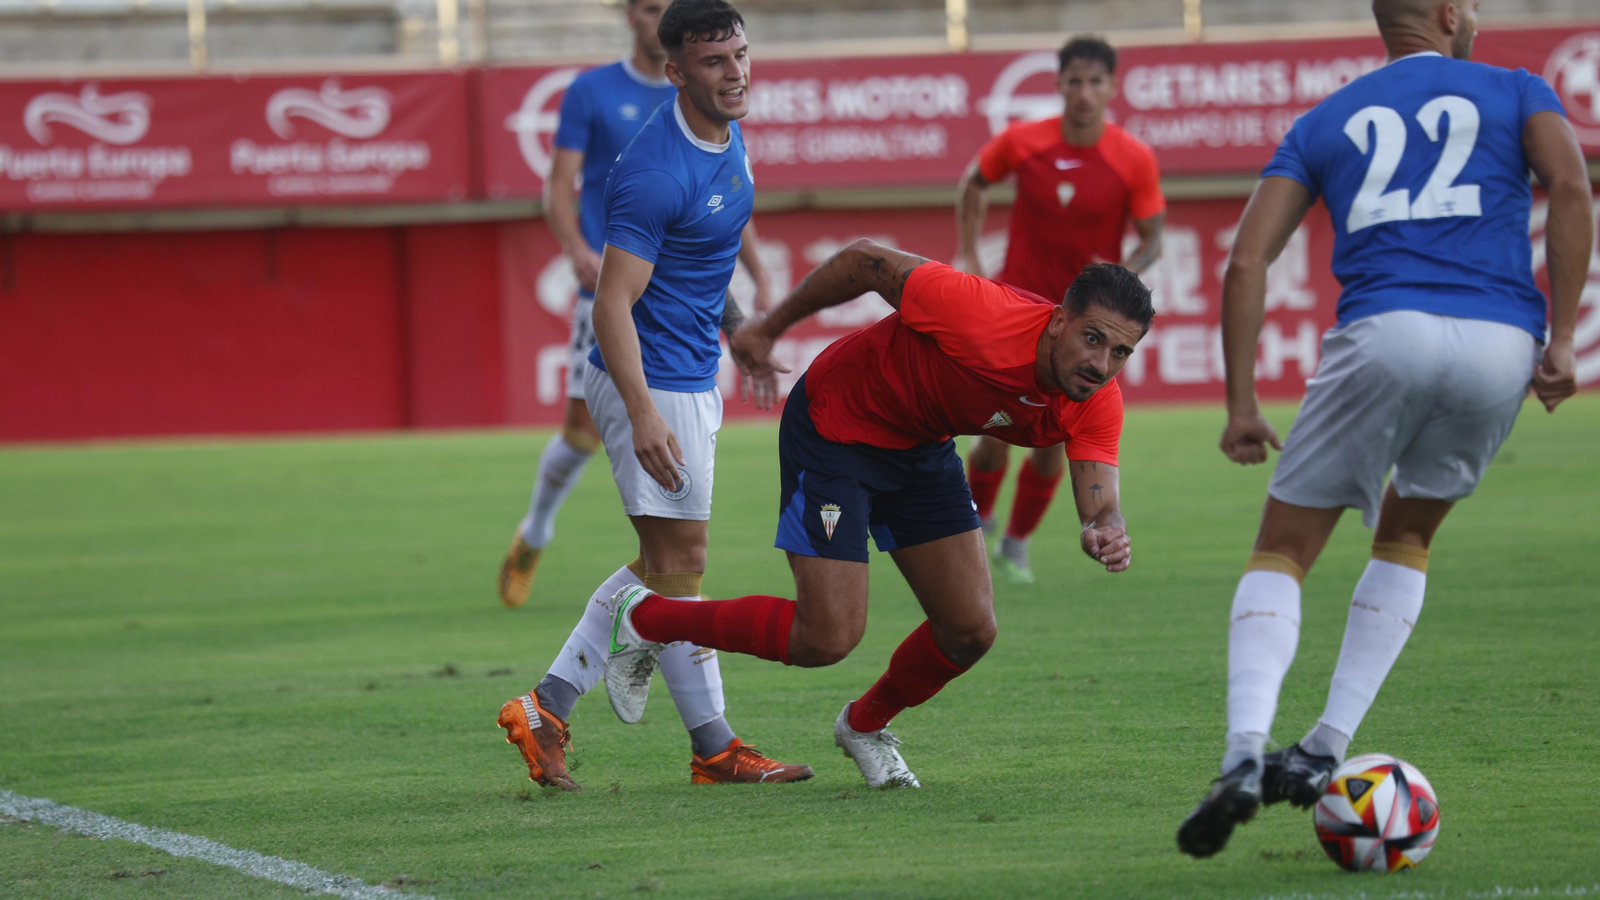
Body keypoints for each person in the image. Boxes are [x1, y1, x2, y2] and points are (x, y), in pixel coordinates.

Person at [1177, 0, 1593, 858]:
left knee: (1284, 550)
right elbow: (1573, 187)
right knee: (1408, 533)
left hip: (1383, 329)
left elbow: (1248, 258)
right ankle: (1325, 745)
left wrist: (1241, 402)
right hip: (1498, 341)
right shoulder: (1517, 89)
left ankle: (1245, 754)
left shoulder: (1326, 118)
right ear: (1449, 11)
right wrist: (1559, 342)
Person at [599, 241, 1153, 788]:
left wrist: (1107, 529)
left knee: (969, 630)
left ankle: (864, 726)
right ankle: (646, 620)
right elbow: (862, 259)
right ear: (1059, 322)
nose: (1100, 364)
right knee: (827, 637)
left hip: (920, 446)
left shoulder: (1096, 399)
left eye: (1119, 352)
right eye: (1092, 338)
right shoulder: (979, 310)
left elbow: (1101, 502)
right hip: (837, 424)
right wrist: (770, 328)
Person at [497, 0, 810, 789]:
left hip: (688, 371)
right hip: (651, 379)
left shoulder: (728, 134)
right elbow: (611, 302)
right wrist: (640, 413)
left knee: (665, 566)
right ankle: (710, 745)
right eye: (714, 62)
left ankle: (551, 708)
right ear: (675, 72)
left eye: (740, 54)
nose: (735, 72)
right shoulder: (652, 169)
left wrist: (737, 324)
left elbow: (703, 260)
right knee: (681, 568)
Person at [497, 0, 775, 609]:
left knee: (674, 554)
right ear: (628, 16)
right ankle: (536, 531)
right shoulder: (593, 93)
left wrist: (755, 285)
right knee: (579, 434)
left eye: (739, 56)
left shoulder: (720, 112)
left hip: (668, 300)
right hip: (611, 290)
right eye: (648, 8)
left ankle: (574, 677)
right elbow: (557, 189)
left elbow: (720, 214)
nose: (655, 17)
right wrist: (575, 247)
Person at [956, 35, 1166, 584]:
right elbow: (974, 184)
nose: (1084, 92)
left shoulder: (1133, 158)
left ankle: (1016, 541)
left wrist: (1123, 275)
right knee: (991, 431)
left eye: (1096, 81)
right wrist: (973, 256)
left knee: (1054, 443)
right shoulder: (1024, 141)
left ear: (1112, 88)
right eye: (1075, 80)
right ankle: (976, 524)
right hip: (1018, 312)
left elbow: (1153, 238)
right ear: (1059, 85)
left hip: (1087, 326)